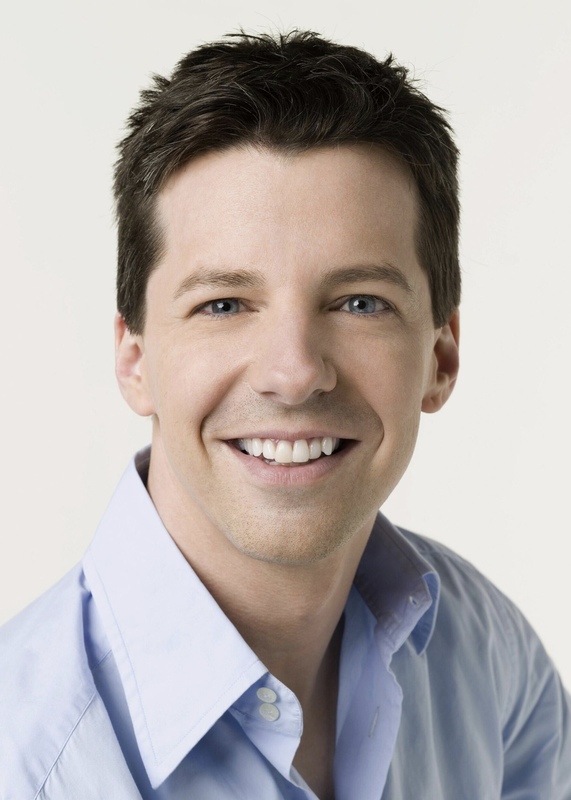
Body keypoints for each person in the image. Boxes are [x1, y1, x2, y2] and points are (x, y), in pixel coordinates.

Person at [1, 29, 569, 800]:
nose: (294, 373)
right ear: (134, 361)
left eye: (359, 302)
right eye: (224, 304)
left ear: (440, 358)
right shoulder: (26, 761)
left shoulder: (493, 663)